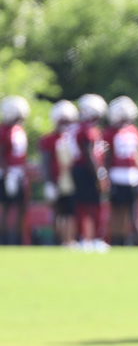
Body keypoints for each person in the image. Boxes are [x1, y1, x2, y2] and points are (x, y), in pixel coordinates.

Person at [104, 97, 138, 246]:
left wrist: (105, 176)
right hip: (133, 176)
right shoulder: (134, 131)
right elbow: (137, 156)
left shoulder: (110, 132)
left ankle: (118, 241)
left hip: (117, 175)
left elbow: (108, 156)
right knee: (134, 214)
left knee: (117, 212)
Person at [71, 94, 109, 251]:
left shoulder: (83, 128)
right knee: (92, 205)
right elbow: (89, 155)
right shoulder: (87, 130)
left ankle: (85, 238)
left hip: (81, 169)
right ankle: (94, 238)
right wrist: (99, 175)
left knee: (84, 205)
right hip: (87, 170)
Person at [39, 101, 79, 246]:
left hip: (71, 181)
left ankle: (69, 239)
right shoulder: (48, 139)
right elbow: (45, 162)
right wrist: (49, 182)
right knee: (57, 212)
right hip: (56, 180)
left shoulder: (73, 138)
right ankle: (57, 240)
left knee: (71, 212)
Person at [0, 96, 30, 244]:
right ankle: (4, 240)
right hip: (7, 174)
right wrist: (7, 173)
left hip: (18, 173)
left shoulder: (19, 130)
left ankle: (18, 240)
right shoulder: (3, 130)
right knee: (6, 207)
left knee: (21, 207)